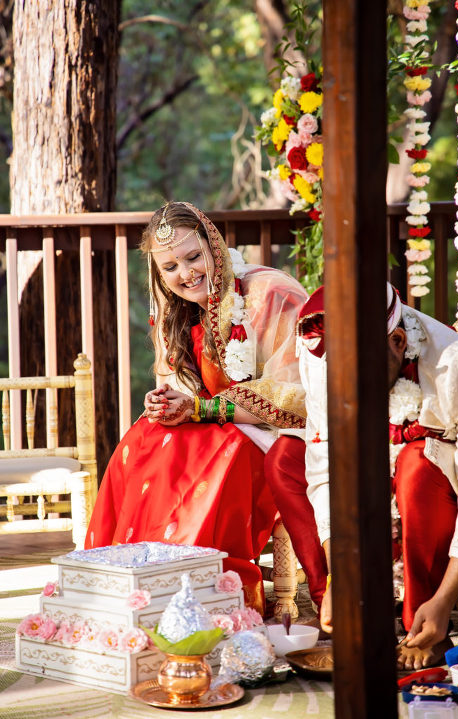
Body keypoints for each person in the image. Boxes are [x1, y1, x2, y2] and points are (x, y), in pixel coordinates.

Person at [85, 201, 308, 612]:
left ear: (215, 247)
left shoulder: (269, 292)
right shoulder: (175, 309)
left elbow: (300, 394)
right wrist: (165, 402)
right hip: (207, 425)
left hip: (270, 431)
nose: (184, 274)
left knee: (216, 454)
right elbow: (180, 384)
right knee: (145, 438)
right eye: (169, 267)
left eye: (193, 257)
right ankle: (134, 587)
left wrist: (204, 411)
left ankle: (203, 595)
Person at [266, 282, 458, 668]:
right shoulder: (318, 354)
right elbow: (322, 463)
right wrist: (338, 578)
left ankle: (424, 623)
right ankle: (345, 609)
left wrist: (445, 599)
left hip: (433, 484)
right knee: (286, 459)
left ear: (398, 341)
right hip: (360, 469)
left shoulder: (456, 363)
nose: (351, 387)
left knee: (415, 464)